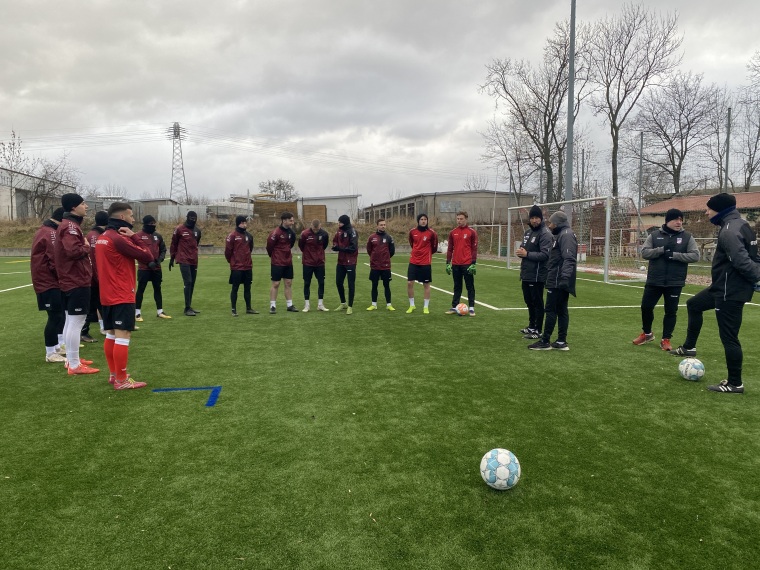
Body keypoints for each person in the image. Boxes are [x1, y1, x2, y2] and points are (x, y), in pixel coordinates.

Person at [670, 194, 760, 394]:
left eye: (709, 209)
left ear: (719, 210)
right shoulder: (742, 225)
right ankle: (688, 348)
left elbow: (743, 261)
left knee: (729, 337)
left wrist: (756, 278)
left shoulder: (729, 231)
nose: (706, 212)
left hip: (730, 291)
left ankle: (735, 383)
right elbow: (755, 257)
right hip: (722, 287)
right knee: (694, 304)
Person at [97, 202, 155, 390]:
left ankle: (115, 375)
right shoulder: (119, 238)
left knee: (111, 335)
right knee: (123, 335)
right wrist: (135, 237)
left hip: (107, 293)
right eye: (131, 216)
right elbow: (147, 256)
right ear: (122, 217)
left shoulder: (103, 236)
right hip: (121, 293)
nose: (133, 219)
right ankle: (121, 380)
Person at [632, 208, 699, 351]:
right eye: (676, 219)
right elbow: (644, 253)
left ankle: (666, 339)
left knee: (670, 311)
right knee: (646, 307)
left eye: (681, 219)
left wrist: (675, 255)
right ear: (667, 221)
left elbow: (695, 256)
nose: (679, 222)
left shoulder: (687, 237)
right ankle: (647, 333)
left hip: (675, 281)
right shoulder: (654, 235)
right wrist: (661, 250)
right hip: (654, 280)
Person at [54, 193, 99, 374]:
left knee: (71, 321)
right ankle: (73, 364)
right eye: (83, 203)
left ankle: (72, 359)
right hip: (76, 279)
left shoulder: (69, 225)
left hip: (72, 278)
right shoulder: (70, 227)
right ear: (73, 207)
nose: (86, 206)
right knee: (76, 321)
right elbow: (73, 251)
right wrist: (87, 246)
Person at [528, 211, 577, 351]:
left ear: (558, 223)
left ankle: (545, 341)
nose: (550, 225)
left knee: (551, 309)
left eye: (552, 223)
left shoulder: (566, 235)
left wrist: (564, 278)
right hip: (558, 277)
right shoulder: (562, 234)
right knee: (561, 310)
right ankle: (561, 341)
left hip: (558, 279)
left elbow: (569, 258)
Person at [31, 207, 67, 363]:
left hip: (49, 281)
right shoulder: (50, 233)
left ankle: (57, 347)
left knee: (59, 314)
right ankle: (50, 352)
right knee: (55, 315)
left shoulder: (47, 231)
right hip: (47, 282)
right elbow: (55, 259)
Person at [516, 205, 552, 339]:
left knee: (537, 302)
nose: (534, 220)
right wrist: (521, 252)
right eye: (532, 217)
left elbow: (545, 255)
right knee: (528, 301)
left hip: (537, 274)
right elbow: (525, 249)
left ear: (541, 218)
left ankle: (538, 330)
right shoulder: (527, 232)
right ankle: (531, 326)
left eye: (537, 217)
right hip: (526, 272)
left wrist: (527, 254)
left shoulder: (545, 233)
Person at [135, 215, 171, 321]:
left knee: (157, 288)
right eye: (151, 223)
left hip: (156, 268)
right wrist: (147, 262)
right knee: (141, 289)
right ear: (145, 224)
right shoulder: (138, 236)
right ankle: (137, 313)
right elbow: (136, 252)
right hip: (143, 268)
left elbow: (163, 250)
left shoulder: (158, 236)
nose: (153, 225)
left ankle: (160, 311)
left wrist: (158, 261)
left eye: (154, 223)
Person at [81, 210, 109, 342]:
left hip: (93, 276)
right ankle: (84, 332)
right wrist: (99, 277)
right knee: (91, 305)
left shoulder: (93, 234)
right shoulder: (96, 236)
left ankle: (106, 327)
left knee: (99, 303)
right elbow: (95, 259)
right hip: (94, 278)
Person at [169, 211, 202, 316]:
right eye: (191, 217)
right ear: (187, 217)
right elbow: (174, 243)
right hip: (183, 259)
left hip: (194, 260)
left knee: (192, 283)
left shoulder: (197, 230)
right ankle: (187, 308)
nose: (193, 219)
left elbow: (196, 243)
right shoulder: (179, 229)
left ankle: (189, 305)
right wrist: (172, 257)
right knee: (188, 282)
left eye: (195, 217)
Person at [445, 211, 478, 316]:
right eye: (458, 219)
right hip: (455, 263)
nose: (459, 220)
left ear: (466, 219)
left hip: (467, 263)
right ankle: (455, 306)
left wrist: (473, 263)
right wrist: (447, 263)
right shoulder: (452, 232)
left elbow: (474, 248)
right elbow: (450, 249)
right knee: (457, 286)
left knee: (470, 286)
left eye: (461, 219)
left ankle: (471, 307)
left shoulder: (471, 232)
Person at [225, 215, 258, 316]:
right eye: (242, 223)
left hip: (247, 266)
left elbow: (250, 249)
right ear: (238, 223)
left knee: (248, 287)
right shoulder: (232, 236)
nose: (245, 225)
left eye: (245, 223)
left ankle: (249, 308)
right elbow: (228, 252)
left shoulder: (249, 236)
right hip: (237, 267)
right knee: (235, 288)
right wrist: (232, 262)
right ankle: (233, 309)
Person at [266, 212, 298, 313]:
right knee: (276, 284)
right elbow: (269, 247)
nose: (292, 222)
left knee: (288, 283)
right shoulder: (275, 233)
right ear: (284, 220)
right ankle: (272, 306)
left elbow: (291, 244)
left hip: (288, 262)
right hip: (277, 262)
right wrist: (275, 256)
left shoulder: (292, 233)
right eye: (291, 220)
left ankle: (289, 305)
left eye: (293, 220)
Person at [406, 213, 439, 314]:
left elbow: (434, 247)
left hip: (425, 262)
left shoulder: (432, 233)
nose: (423, 221)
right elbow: (412, 243)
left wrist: (427, 253)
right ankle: (412, 305)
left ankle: (426, 307)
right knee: (409, 283)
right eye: (421, 219)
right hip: (413, 261)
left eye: (425, 219)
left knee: (426, 284)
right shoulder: (412, 232)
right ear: (418, 221)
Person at [299, 219, 330, 312]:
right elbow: (301, 246)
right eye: (314, 228)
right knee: (307, 283)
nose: (315, 230)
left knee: (321, 282)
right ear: (311, 225)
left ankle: (320, 304)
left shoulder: (324, 234)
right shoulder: (304, 234)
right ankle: (307, 305)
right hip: (308, 263)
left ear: (320, 225)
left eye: (317, 229)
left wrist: (319, 256)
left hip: (319, 263)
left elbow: (324, 245)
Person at [366, 219, 396, 311]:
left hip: (385, 266)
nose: (383, 226)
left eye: (384, 225)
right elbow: (369, 250)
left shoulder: (389, 237)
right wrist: (375, 258)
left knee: (386, 285)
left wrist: (385, 258)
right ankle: (374, 304)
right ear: (377, 226)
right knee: (374, 285)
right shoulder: (372, 237)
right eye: (381, 225)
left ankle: (389, 304)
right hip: (375, 266)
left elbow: (392, 251)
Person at [332, 214, 359, 315]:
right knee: (339, 282)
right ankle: (343, 303)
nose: (339, 224)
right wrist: (335, 246)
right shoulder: (339, 231)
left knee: (350, 284)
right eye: (338, 222)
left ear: (345, 222)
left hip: (350, 261)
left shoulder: (353, 232)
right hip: (341, 261)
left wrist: (339, 249)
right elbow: (335, 240)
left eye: (340, 222)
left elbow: (353, 248)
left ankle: (350, 306)